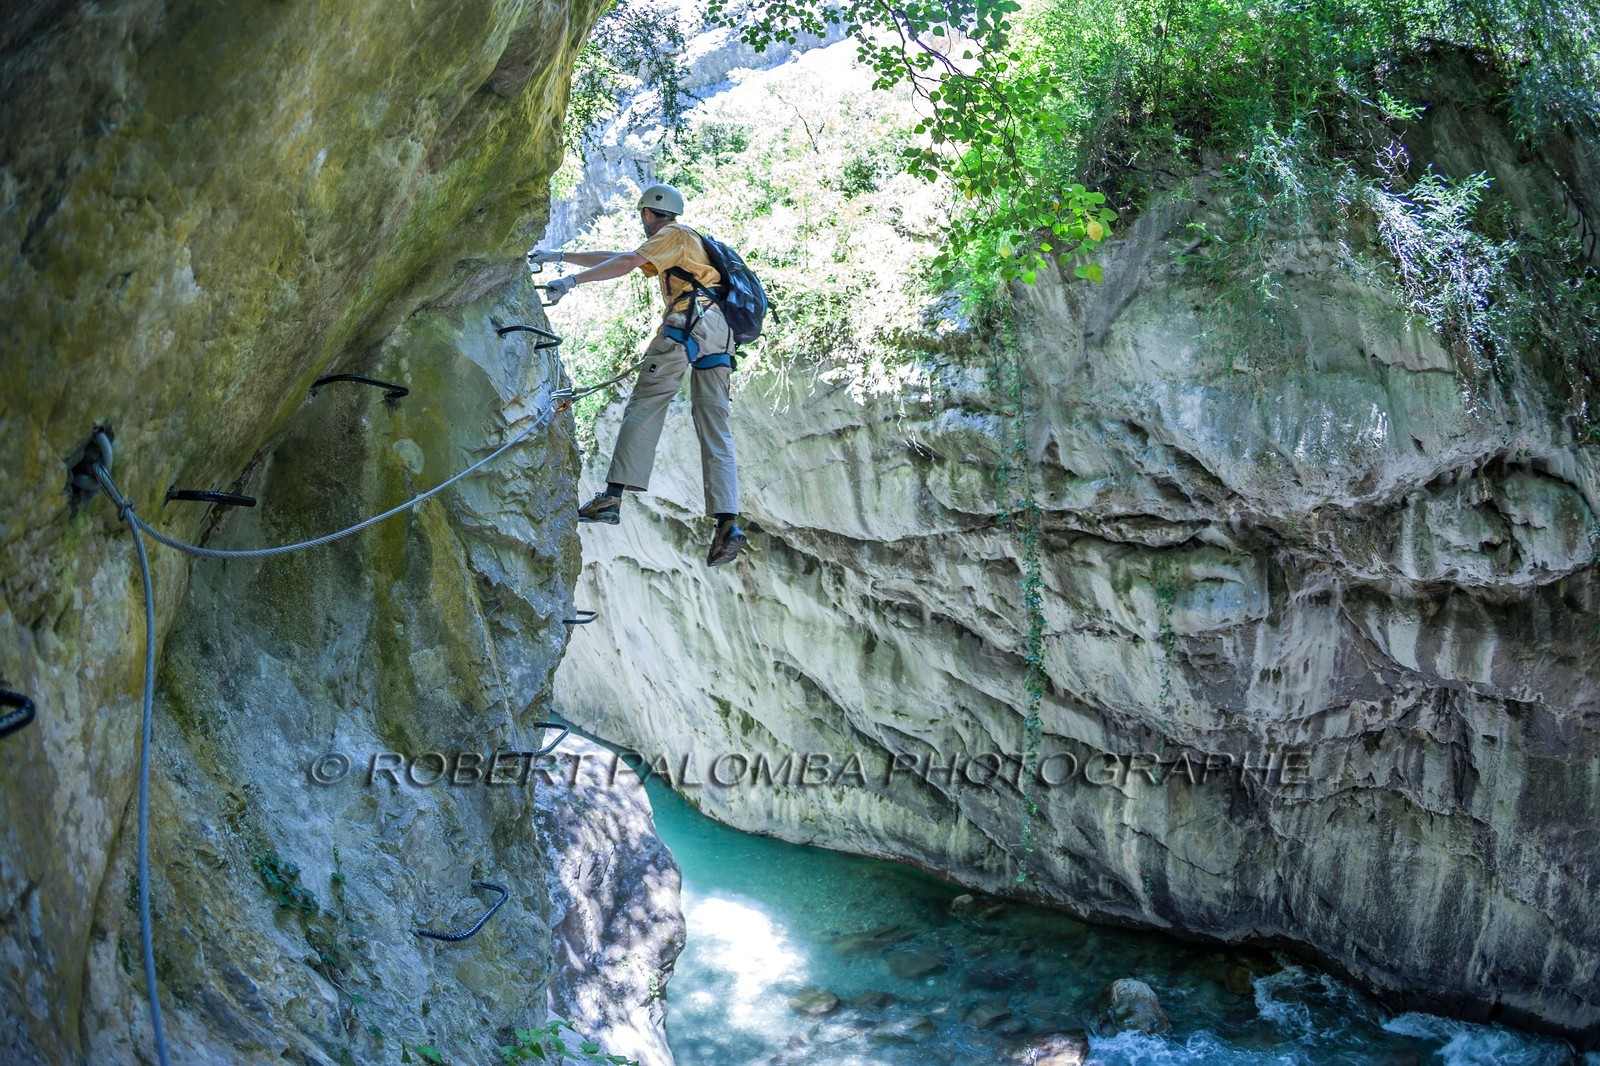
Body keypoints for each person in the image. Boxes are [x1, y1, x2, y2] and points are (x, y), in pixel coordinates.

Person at [528, 184, 747, 567]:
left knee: (646, 403)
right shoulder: (687, 243)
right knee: (715, 426)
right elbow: (622, 257)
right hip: (721, 332)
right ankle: (727, 522)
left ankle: (611, 498)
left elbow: (628, 261)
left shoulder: (673, 235)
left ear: (647, 213)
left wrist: (571, 282)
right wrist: (559, 257)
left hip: (689, 322)